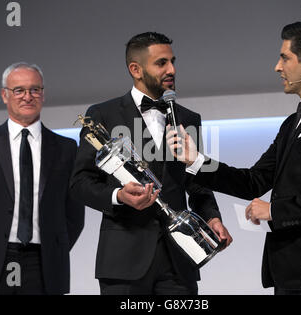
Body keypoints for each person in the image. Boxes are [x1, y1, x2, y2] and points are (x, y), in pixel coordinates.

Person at [167, 22, 301, 295]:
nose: (277, 67)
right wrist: (197, 161)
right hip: (288, 270)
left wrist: (273, 210)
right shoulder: (291, 123)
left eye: (285, 57)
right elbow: (253, 181)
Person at [70, 32, 232, 295]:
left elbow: (198, 182)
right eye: (161, 63)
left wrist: (212, 217)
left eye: (172, 61)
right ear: (135, 69)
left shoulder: (189, 118)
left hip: (180, 261)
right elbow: (79, 183)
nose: (172, 70)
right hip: (124, 261)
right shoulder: (102, 114)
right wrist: (118, 196)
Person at [0, 62, 85, 295]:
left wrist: (54, 251)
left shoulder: (66, 149)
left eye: (34, 89)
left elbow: (74, 215)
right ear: (4, 95)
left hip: (44, 266)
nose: (27, 96)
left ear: (43, 94)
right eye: (18, 90)